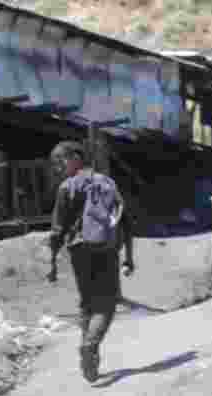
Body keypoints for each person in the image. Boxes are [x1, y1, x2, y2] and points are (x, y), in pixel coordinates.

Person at [46, 141, 136, 382]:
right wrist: (128, 257)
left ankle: (90, 353)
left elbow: (57, 229)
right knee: (107, 304)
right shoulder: (107, 182)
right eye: (55, 164)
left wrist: (52, 260)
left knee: (88, 303)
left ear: (76, 158)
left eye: (60, 161)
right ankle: (90, 346)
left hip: (78, 250)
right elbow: (124, 220)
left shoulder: (67, 187)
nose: (58, 168)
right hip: (106, 249)